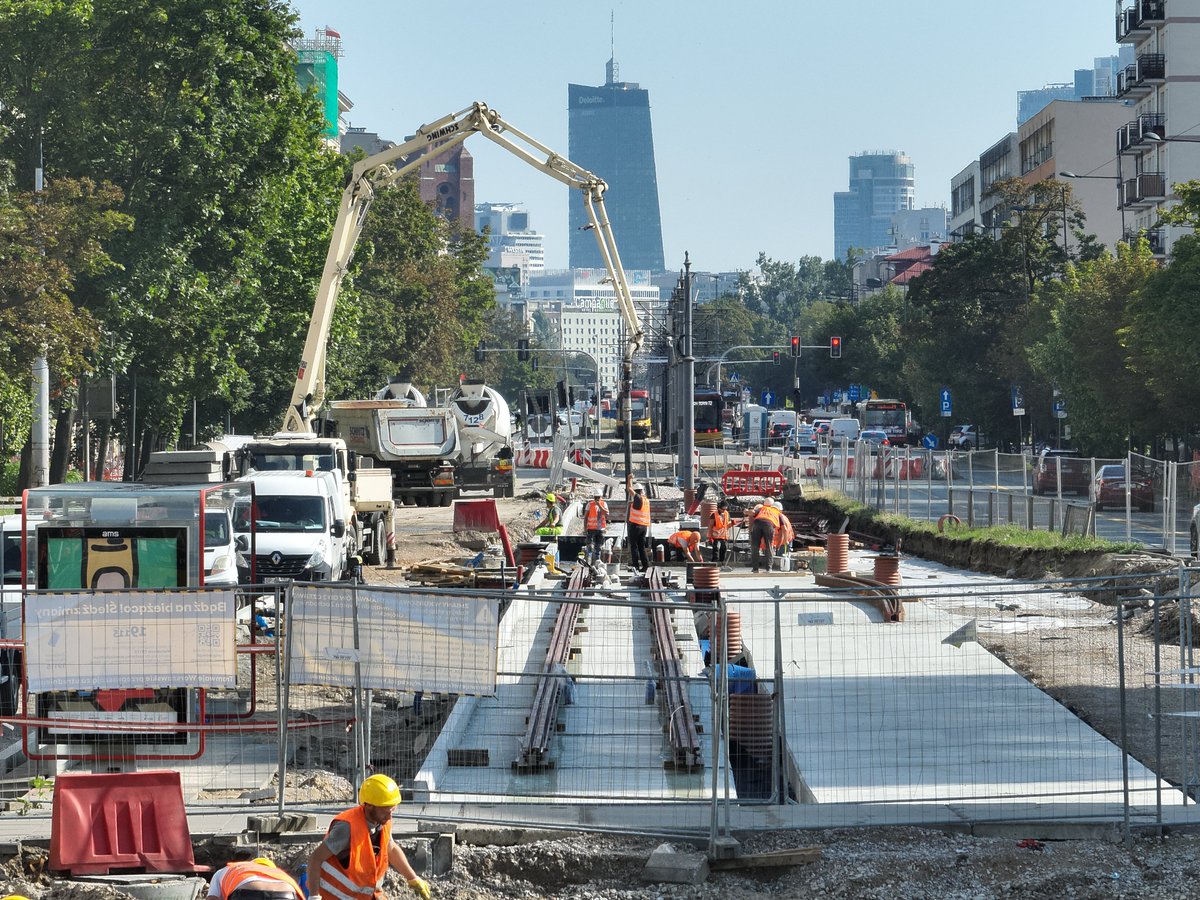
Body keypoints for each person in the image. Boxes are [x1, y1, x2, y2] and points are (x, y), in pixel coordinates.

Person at [306, 773, 431, 900]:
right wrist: (314, 896)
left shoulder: (383, 821)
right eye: (386, 811)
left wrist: (412, 878)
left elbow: (390, 848)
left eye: (392, 811)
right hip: (337, 896)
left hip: (366, 895)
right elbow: (315, 859)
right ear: (369, 805)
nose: (389, 817)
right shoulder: (346, 827)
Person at [206, 857, 303, 899]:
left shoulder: (233, 869)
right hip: (286, 894)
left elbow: (212, 898)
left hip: (248, 893)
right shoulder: (279, 874)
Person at [749, 497, 782, 573]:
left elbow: (752, 513)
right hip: (768, 524)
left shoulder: (761, 508)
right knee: (769, 546)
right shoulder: (776, 511)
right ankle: (769, 568)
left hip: (757, 523)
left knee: (755, 546)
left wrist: (746, 511)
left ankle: (755, 568)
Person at [626, 483, 651, 572]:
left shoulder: (637, 497)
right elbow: (639, 505)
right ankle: (646, 565)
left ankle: (635, 566)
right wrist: (632, 503)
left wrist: (629, 478)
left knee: (634, 546)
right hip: (644, 526)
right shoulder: (646, 500)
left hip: (635, 526)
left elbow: (629, 488)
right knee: (641, 547)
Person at [584, 489, 608, 559]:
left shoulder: (604, 504)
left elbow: (606, 513)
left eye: (598, 497)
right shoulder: (590, 504)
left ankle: (597, 562)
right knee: (590, 547)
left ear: (601, 497)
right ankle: (589, 561)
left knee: (598, 547)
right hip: (591, 529)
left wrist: (599, 505)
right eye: (595, 497)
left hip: (601, 529)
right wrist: (585, 529)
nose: (597, 499)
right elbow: (585, 517)